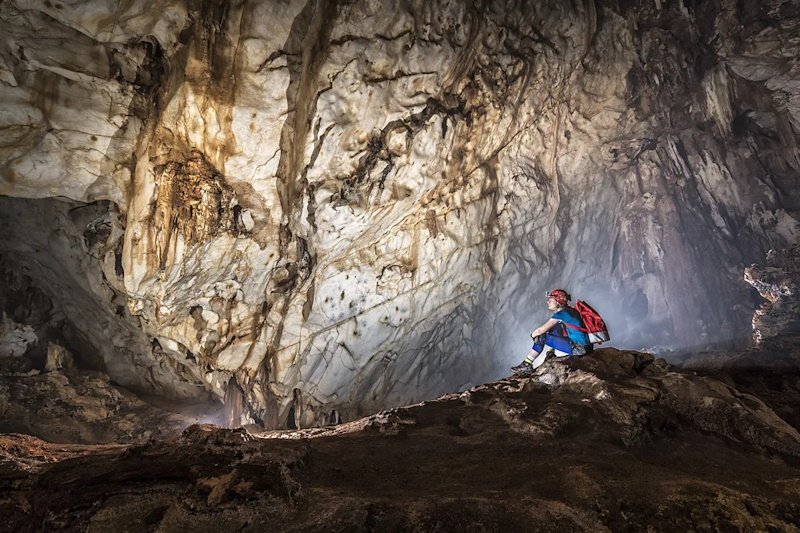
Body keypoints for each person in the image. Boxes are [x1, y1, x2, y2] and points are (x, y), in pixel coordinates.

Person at [511, 289, 592, 375]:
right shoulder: (570, 310)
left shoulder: (562, 314)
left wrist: (533, 335)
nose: (547, 302)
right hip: (587, 347)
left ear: (558, 301)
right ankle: (550, 354)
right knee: (555, 328)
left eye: (550, 300)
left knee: (541, 335)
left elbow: (540, 330)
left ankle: (526, 364)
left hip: (579, 349)